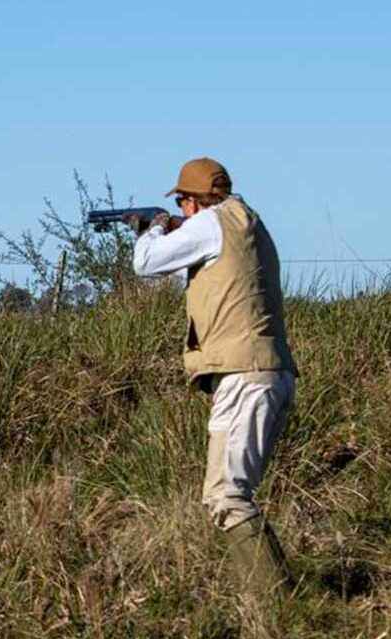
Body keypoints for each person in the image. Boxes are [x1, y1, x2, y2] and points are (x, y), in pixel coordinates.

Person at [131, 158, 298, 598]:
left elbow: (146, 264)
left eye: (183, 202)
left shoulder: (208, 224)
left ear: (192, 200)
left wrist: (152, 228)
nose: (184, 211)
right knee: (221, 494)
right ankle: (273, 599)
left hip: (245, 376)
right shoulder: (249, 221)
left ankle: (279, 605)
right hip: (262, 372)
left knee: (228, 497)